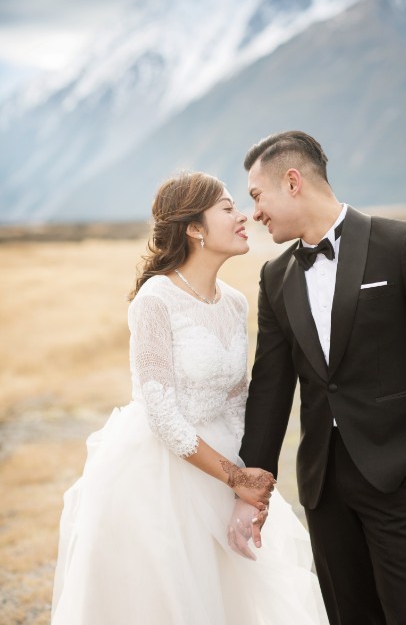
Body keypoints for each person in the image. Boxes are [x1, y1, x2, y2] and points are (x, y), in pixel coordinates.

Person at [51, 171, 328, 625]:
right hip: (161, 475)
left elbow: (239, 398)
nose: (243, 215)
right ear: (194, 229)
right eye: (226, 208)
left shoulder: (235, 302)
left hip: (227, 468)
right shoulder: (154, 300)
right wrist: (234, 477)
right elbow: (161, 413)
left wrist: (249, 484)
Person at [239, 131, 406, 625]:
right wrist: (253, 482)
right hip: (323, 484)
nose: (255, 212)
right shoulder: (274, 277)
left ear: (292, 182)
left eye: (256, 195)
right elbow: (270, 387)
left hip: (397, 472)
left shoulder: (402, 245)